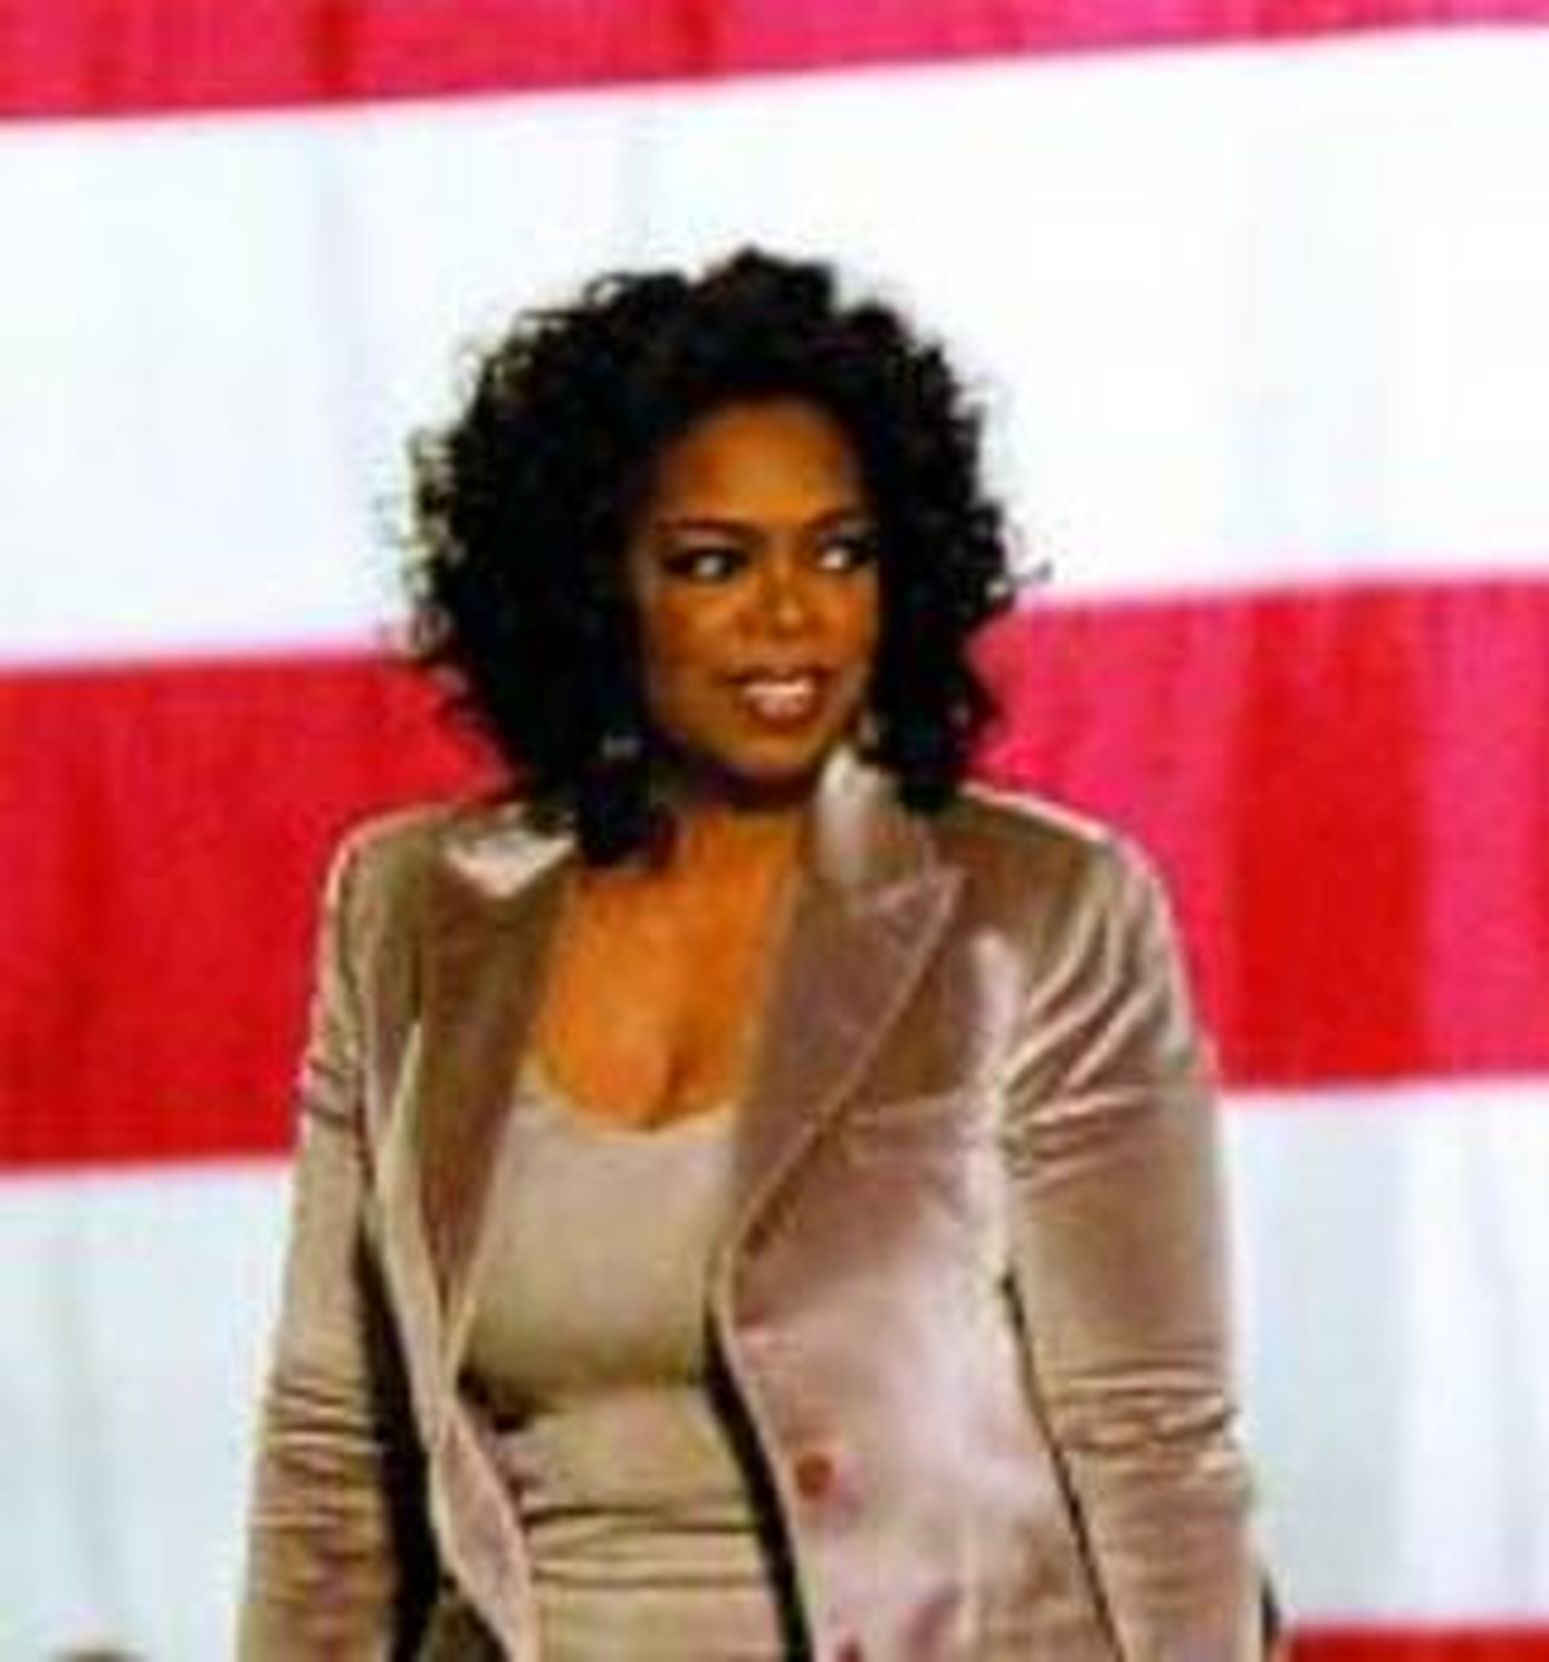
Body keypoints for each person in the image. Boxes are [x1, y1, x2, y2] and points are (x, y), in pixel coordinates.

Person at [239, 248, 1277, 1659]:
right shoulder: (410, 910)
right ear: (596, 589)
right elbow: (333, 1447)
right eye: (713, 562)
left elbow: (1151, 1439)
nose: (793, 612)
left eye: (839, 551)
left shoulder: (1040, 913)